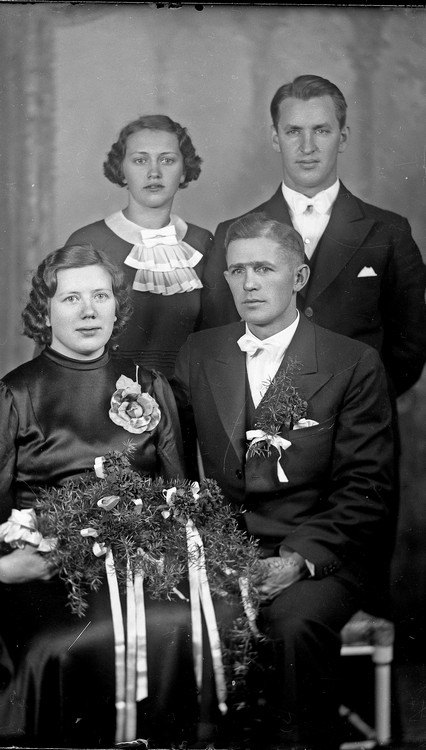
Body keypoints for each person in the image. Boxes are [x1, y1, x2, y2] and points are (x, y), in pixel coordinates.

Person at [173, 213, 395, 750]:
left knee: (293, 628)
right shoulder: (199, 352)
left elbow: (366, 488)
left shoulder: (353, 362)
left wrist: (297, 560)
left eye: (264, 269)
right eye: (237, 270)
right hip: (226, 554)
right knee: (191, 625)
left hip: (320, 556)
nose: (248, 283)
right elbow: (173, 460)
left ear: (298, 277)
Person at [0, 245, 217, 749]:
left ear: (117, 307)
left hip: (142, 563)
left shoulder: (147, 384)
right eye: (71, 298)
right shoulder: (15, 394)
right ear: (45, 313)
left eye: (100, 296)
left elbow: (178, 492)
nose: (88, 310)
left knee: (180, 625)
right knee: (66, 646)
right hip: (50, 572)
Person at [201, 74, 426, 402]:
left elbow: (411, 344)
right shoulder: (231, 233)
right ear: (276, 137)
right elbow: (216, 337)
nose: (307, 147)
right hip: (262, 421)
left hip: (359, 421)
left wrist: (362, 404)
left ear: (342, 137)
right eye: (294, 131)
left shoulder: (389, 231)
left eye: (321, 130)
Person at [65, 114, 213, 380]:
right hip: (101, 393)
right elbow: (58, 343)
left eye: (167, 160)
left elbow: (218, 338)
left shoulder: (202, 243)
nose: (154, 172)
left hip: (185, 398)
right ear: (121, 169)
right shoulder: (89, 241)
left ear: (184, 170)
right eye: (140, 160)